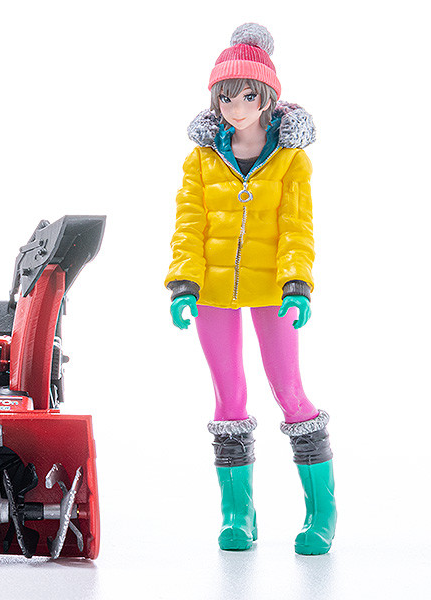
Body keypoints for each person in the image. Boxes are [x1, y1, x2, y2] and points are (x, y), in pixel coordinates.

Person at [164, 23, 337, 555]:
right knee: (229, 397)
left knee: (290, 391)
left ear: (267, 98)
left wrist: (296, 283)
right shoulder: (201, 159)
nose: (235, 107)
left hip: (273, 291)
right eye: (225, 96)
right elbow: (189, 224)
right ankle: (238, 514)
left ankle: (322, 512)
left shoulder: (291, 158)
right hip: (213, 291)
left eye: (247, 96)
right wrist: (184, 282)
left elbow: (296, 227)